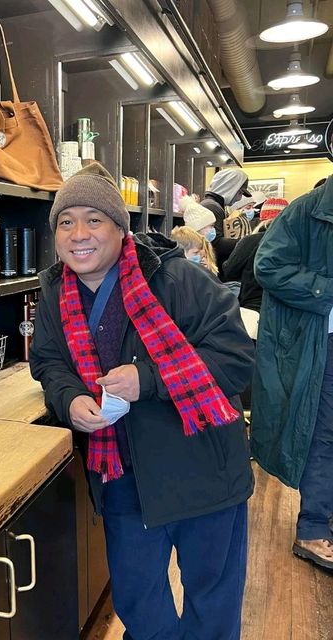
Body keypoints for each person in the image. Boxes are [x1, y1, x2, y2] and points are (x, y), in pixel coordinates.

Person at [29, 162, 254, 640]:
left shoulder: (176, 280)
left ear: (119, 227)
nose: (79, 234)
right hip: (121, 476)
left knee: (211, 607)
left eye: (94, 219)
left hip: (202, 469)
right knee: (137, 600)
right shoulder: (54, 291)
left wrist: (149, 379)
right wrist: (68, 399)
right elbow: (48, 362)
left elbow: (237, 358)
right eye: (65, 222)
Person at [252, 176, 333, 571]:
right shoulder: (308, 210)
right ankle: (313, 527)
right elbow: (267, 265)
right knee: (323, 433)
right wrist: (326, 289)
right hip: (322, 343)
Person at [223, 198, 289, 313]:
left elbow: (230, 271)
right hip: (285, 308)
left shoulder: (250, 241)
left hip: (253, 308)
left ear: (263, 218)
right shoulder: (294, 243)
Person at [201, 168, 252, 272]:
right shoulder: (212, 206)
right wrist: (246, 243)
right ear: (230, 187)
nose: (239, 198)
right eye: (240, 193)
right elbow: (215, 243)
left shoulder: (214, 205)